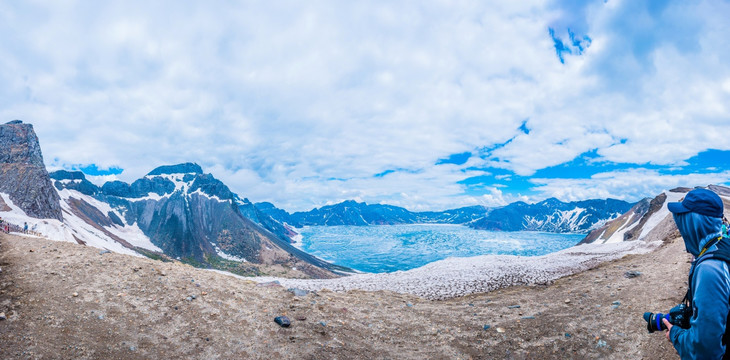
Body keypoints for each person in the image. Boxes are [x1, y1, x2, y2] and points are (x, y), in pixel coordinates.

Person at [664, 188, 730, 359]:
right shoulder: (723, 245)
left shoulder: (709, 269)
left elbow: (704, 349)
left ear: (694, 222)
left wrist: (675, 334)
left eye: (684, 219)